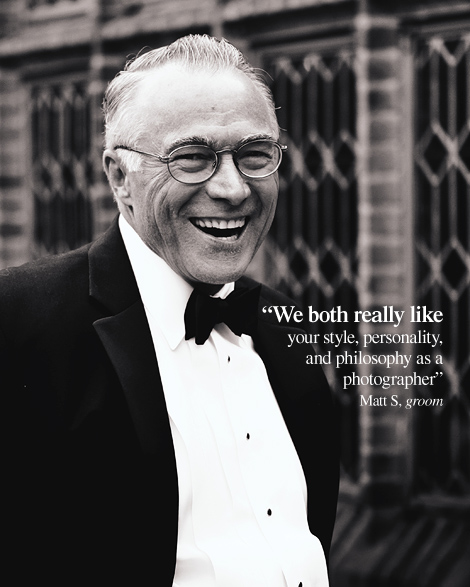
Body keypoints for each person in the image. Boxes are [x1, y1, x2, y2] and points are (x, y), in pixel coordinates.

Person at [1, 35, 339, 586]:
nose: (233, 189)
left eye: (255, 154)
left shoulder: (287, 329)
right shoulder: (16, 323)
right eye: (192, 158)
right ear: (119, 177)